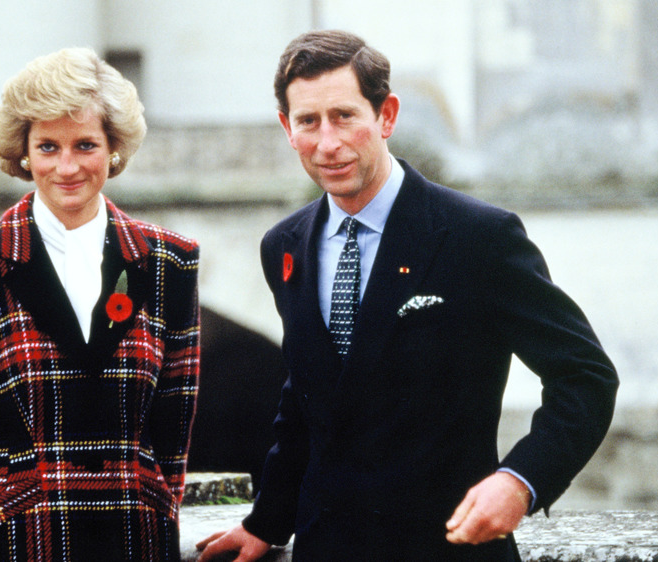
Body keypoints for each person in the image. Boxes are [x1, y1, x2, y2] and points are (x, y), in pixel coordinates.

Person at [197, 30, 618, 561]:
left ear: (386, 115)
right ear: (288, 128)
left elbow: (586, 378)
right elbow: (306, 400)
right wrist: (267, 522)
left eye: (344, 115)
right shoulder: (283, 246)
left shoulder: (477, 237)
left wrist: (520, 480)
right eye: (308, 121)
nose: (328, 143)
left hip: (448, 549)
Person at [0, 48, 200, 561]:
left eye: (85, 144)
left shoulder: (169, 261)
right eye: (48, 147)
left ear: (113, 149)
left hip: (138, 539)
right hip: (17, 541)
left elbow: (173, 428)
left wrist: (158, 509)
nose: (66, 167)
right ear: (24, 153)